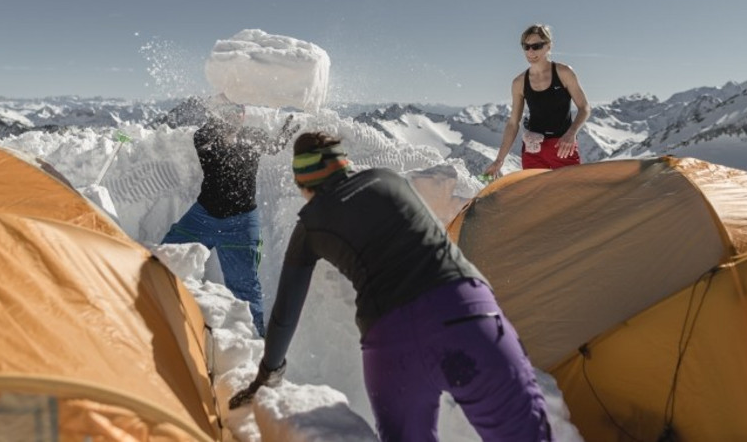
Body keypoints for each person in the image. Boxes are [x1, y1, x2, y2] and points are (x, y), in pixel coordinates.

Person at [229, 131, 553, 442]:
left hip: (391, 341)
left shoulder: (311, 224)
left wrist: (268, 373)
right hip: (466, 315)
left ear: (306, 184)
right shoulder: (388, 179)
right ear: (345, 164)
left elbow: (286, 312)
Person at [161, 95, 298, 336]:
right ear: (218, 114)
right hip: (201, 217)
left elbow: (273, 147)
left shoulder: (252, 136)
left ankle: (255, 342)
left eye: (238, 111)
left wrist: (283, 137)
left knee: (245, 288)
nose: (234, 116)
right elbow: (214, 140)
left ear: (244, 114)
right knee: (163, 260)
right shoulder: (204, 136)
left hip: (242, 223)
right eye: (227, 110)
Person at [484, 23, 590, 175]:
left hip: (563, 147)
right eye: (526, 47)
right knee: (536, 197)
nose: (530, 51)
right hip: (533, 150)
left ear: (548, 46)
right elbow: (513, 123)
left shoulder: (563, 72)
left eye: (536, 46)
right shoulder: (519, 82)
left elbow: (584, 108)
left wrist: (571, 133)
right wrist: (499, 160)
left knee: (570, 196)